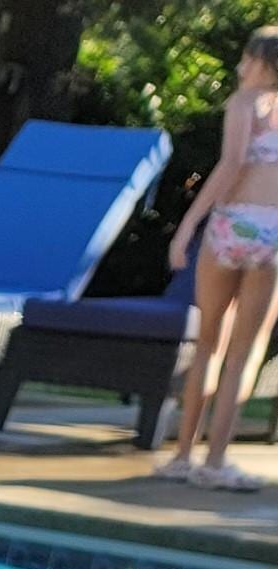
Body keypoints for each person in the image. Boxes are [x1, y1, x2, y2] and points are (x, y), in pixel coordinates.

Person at [163, 29, 278, 489]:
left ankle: (183, 457)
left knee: (207, 344)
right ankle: (216, 463)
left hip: (232, 224)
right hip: (270, 231)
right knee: (241, 355)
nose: (239, 66)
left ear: (256, 61)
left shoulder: (243, 103)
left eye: (245, 58)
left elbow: (230, 165)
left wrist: (189, 225)